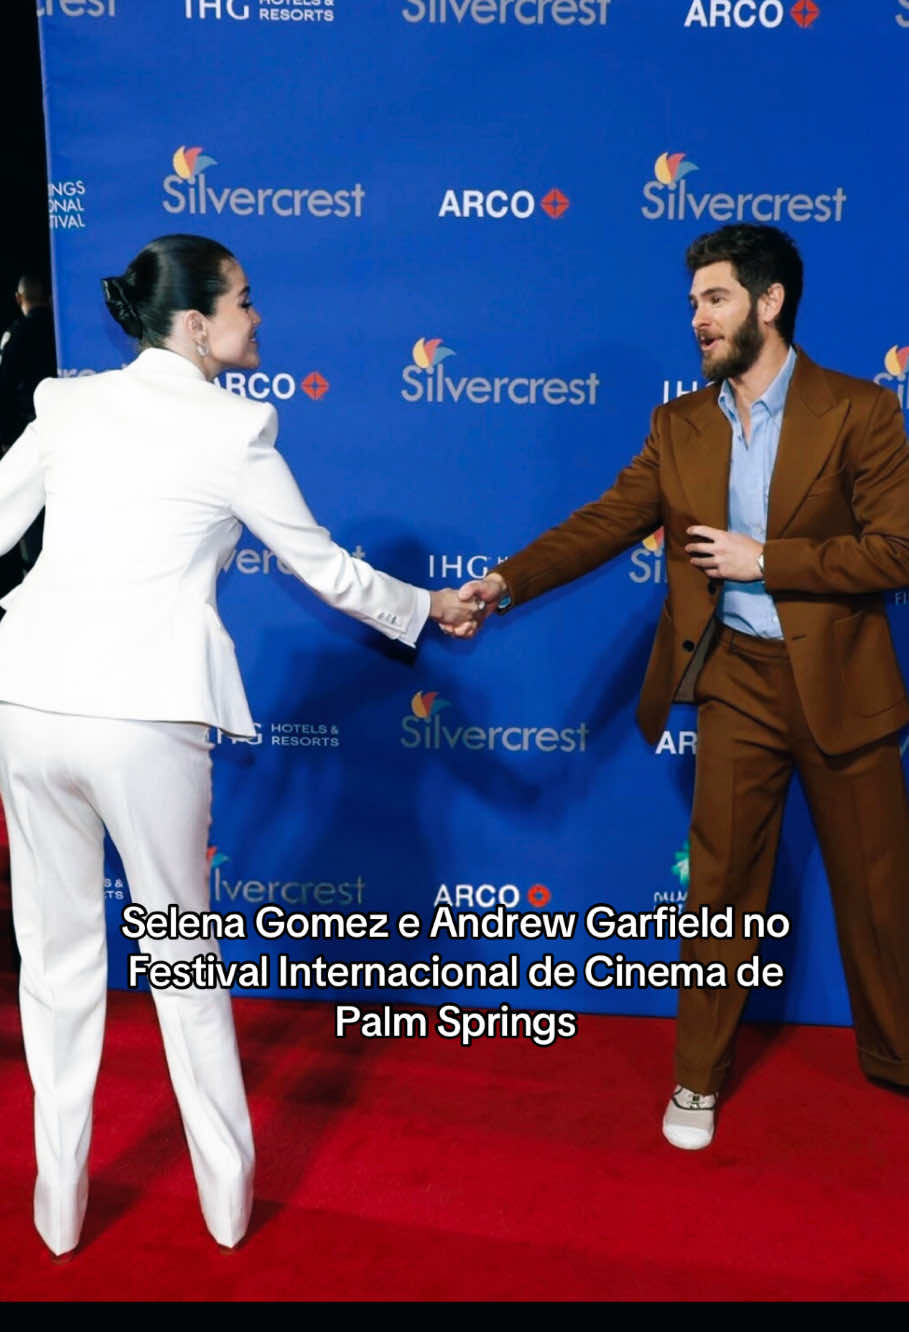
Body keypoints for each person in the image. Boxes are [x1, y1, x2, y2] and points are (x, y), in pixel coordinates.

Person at [0, 232, 480, 1257]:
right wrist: (431, 606)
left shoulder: (67, 403)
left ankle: (57, 1212)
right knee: (179, 955)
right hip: (140, 714)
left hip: (29, 703)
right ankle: (224, 1206)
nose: (259, 318)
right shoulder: (235, 427)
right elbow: (325, 570)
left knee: (57, 963)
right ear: (196, 323)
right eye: (246, 301)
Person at [459, 223, 909, 1150]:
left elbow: (897, 549)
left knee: (880, 891)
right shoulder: (678, 425)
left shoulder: (860, 411)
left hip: (842, 686)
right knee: (719, 889)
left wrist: (765, 559)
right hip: (736, 682)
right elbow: (604, 522)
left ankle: (899, 1059)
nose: (697, 319)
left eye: (714, 299)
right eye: (694, 303)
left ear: (769, 301)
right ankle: (697, 1080)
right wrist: (503, 583)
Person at [0, 273, 55, 593]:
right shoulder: (61, 331)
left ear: (19, 299)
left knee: (29, 524)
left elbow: (4, 386)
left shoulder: (16, 334)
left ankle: (34, 584)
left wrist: (7, 438)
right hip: (69, 440)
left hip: (25, 437)